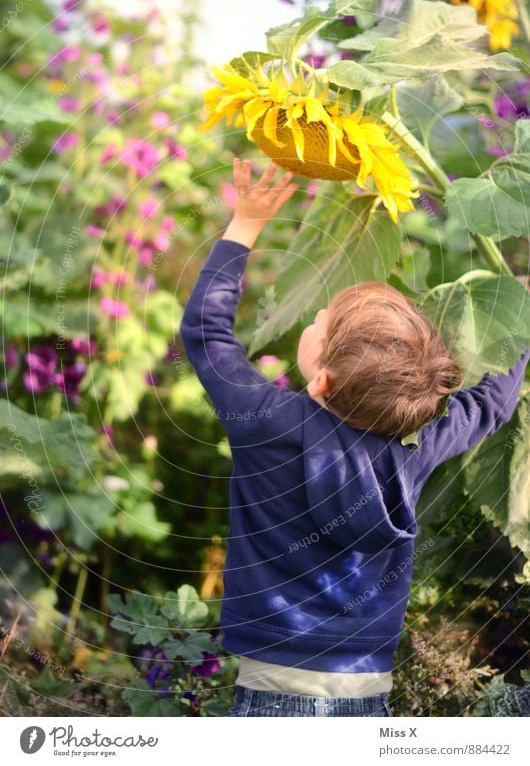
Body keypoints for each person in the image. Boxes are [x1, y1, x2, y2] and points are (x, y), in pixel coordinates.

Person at [179, 158, 529, 718]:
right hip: (365, 693)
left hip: (271, 687)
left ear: (322, 379)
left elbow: (206, 333)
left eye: (318, 325)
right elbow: (489, 403)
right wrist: (521, 310)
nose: (313, 318)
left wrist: (244, 223)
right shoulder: (416, 448)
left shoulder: (265, 420)